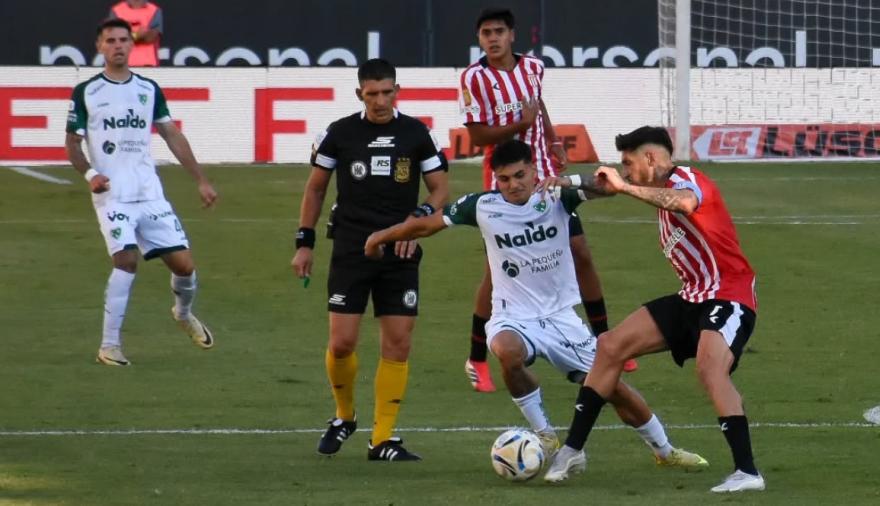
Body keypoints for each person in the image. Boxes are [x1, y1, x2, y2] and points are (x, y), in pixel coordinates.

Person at [365, 139, 706, 469]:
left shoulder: (556, 196)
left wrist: (572, 180)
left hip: (561, 317)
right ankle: (545, 435)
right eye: (504, 179)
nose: (513, 185)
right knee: (506, 350)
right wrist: (380, 236)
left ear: (533, 170)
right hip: (512, 316)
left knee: (614, 389)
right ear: (495, 179)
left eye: (520, 175)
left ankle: (665, 451)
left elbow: (608, 187)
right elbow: (427, 225)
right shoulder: (482, 206)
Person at [542, 126, 764, 493]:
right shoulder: (652, 184)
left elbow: (685, 203)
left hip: (728, 293)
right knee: (610, 345)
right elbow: (607, 185)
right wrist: (565, 181)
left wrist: (625, 187)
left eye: (629, 163)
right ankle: (572, 451)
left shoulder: (687, 178)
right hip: (692, 296)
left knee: (711, 369)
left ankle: (748, 472)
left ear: (650, 158)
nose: (625, 172)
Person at [458, 8, 636, 392]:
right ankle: (477, 356)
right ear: (480, 39)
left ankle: (606, 342)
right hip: (505, 186)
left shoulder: (533, 67)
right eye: (486, 33)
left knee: (581, 252)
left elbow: (537, 105)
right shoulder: (474, 78)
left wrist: (552, 138)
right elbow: (477, 137)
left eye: (499, 31)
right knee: (495, 273)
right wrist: (520, 125)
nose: (493, 38)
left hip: (545, 181)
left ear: (512, 35)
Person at [291, 58, 449, 462]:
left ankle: (382, 439)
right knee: (341, 343)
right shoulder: (339, 134)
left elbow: (439, 189)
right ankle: (344, 416)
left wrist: (415, 221)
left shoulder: (417, 133)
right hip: (351, 248)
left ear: (398, 91)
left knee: (398, 343)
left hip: (401, 249)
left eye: (387, 92)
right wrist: (305, 241)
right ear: (359, 93)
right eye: (372, 93)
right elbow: (315, 189)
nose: (380, 101)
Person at [65, 18, 218, 366]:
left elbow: (171, 134)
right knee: (126, 261)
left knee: (185, 267)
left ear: (132, 45)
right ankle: (109, 346)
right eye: (110, 40)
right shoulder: (87, 92)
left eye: (123, 39)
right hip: (112, 194)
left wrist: (201, 179)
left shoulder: (148, 89)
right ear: (99, 47)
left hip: (149, 193)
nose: (118, 45)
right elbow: (72, 143)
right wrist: (90, 173)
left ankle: (182, 314)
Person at [108, 0, 163, 66]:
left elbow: (151, 38)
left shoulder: (154, 10)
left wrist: (125, 36)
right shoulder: (116, 10)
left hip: (148, 64)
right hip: (121, 63)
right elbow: (114, 38)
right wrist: (137, 35)